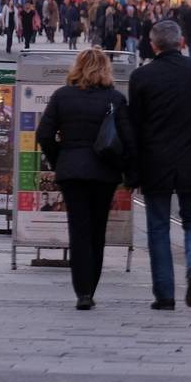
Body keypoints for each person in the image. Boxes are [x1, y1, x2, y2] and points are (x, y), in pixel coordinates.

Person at [36, 48, 136, 309]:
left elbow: (44, 134)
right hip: (103, 173)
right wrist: (126, 169)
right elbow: (128, 140)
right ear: (106, 69)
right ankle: (90, 287)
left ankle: (82, 292)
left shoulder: (62, 96)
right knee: (97, 231)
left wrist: (60, 158)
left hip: (72, 171)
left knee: (78, 231)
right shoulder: (114, 98)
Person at [128, 20, 191, 309]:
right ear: (181, 43)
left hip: (155, 163)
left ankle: (164, 295)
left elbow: (135, 125)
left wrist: (134, 168)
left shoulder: (141, 77)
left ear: (153, 46)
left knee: (157, 228)